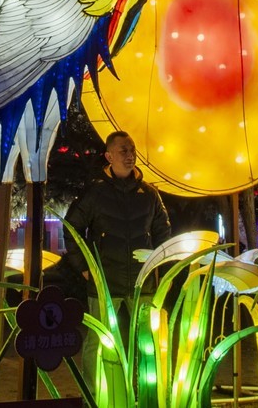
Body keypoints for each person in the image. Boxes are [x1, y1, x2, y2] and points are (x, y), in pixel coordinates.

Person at [61, 130, 172, 376]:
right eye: (124, 150)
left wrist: (158, 267)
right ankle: (94, 395)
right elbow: (71, 229)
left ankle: (144, 393)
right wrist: (84, 267)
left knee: (147, 340)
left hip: (142, 282)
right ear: (109, 156)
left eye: (132, 150)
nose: (130, 155)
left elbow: (163, 232)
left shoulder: (149, 194)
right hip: (105, 281)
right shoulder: (95, 193)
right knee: (97, 339)